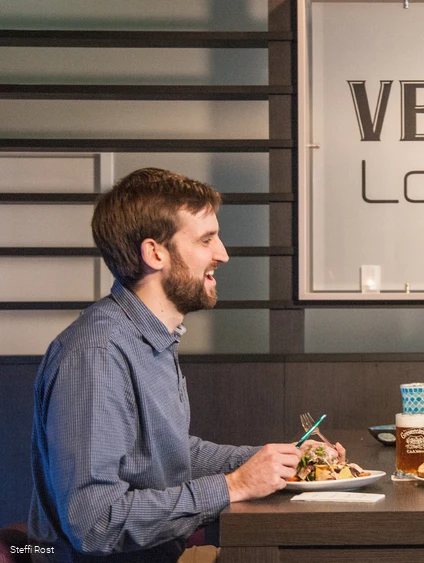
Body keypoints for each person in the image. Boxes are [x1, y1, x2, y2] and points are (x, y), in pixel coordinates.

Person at [28, 168, 338, 563]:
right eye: (206, 240)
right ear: (155, 253)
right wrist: (233, 486)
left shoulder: (150, 337)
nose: (222, 254)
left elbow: (166, 455)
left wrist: (277, 460)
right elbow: (94, 523)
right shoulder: (97, 354)